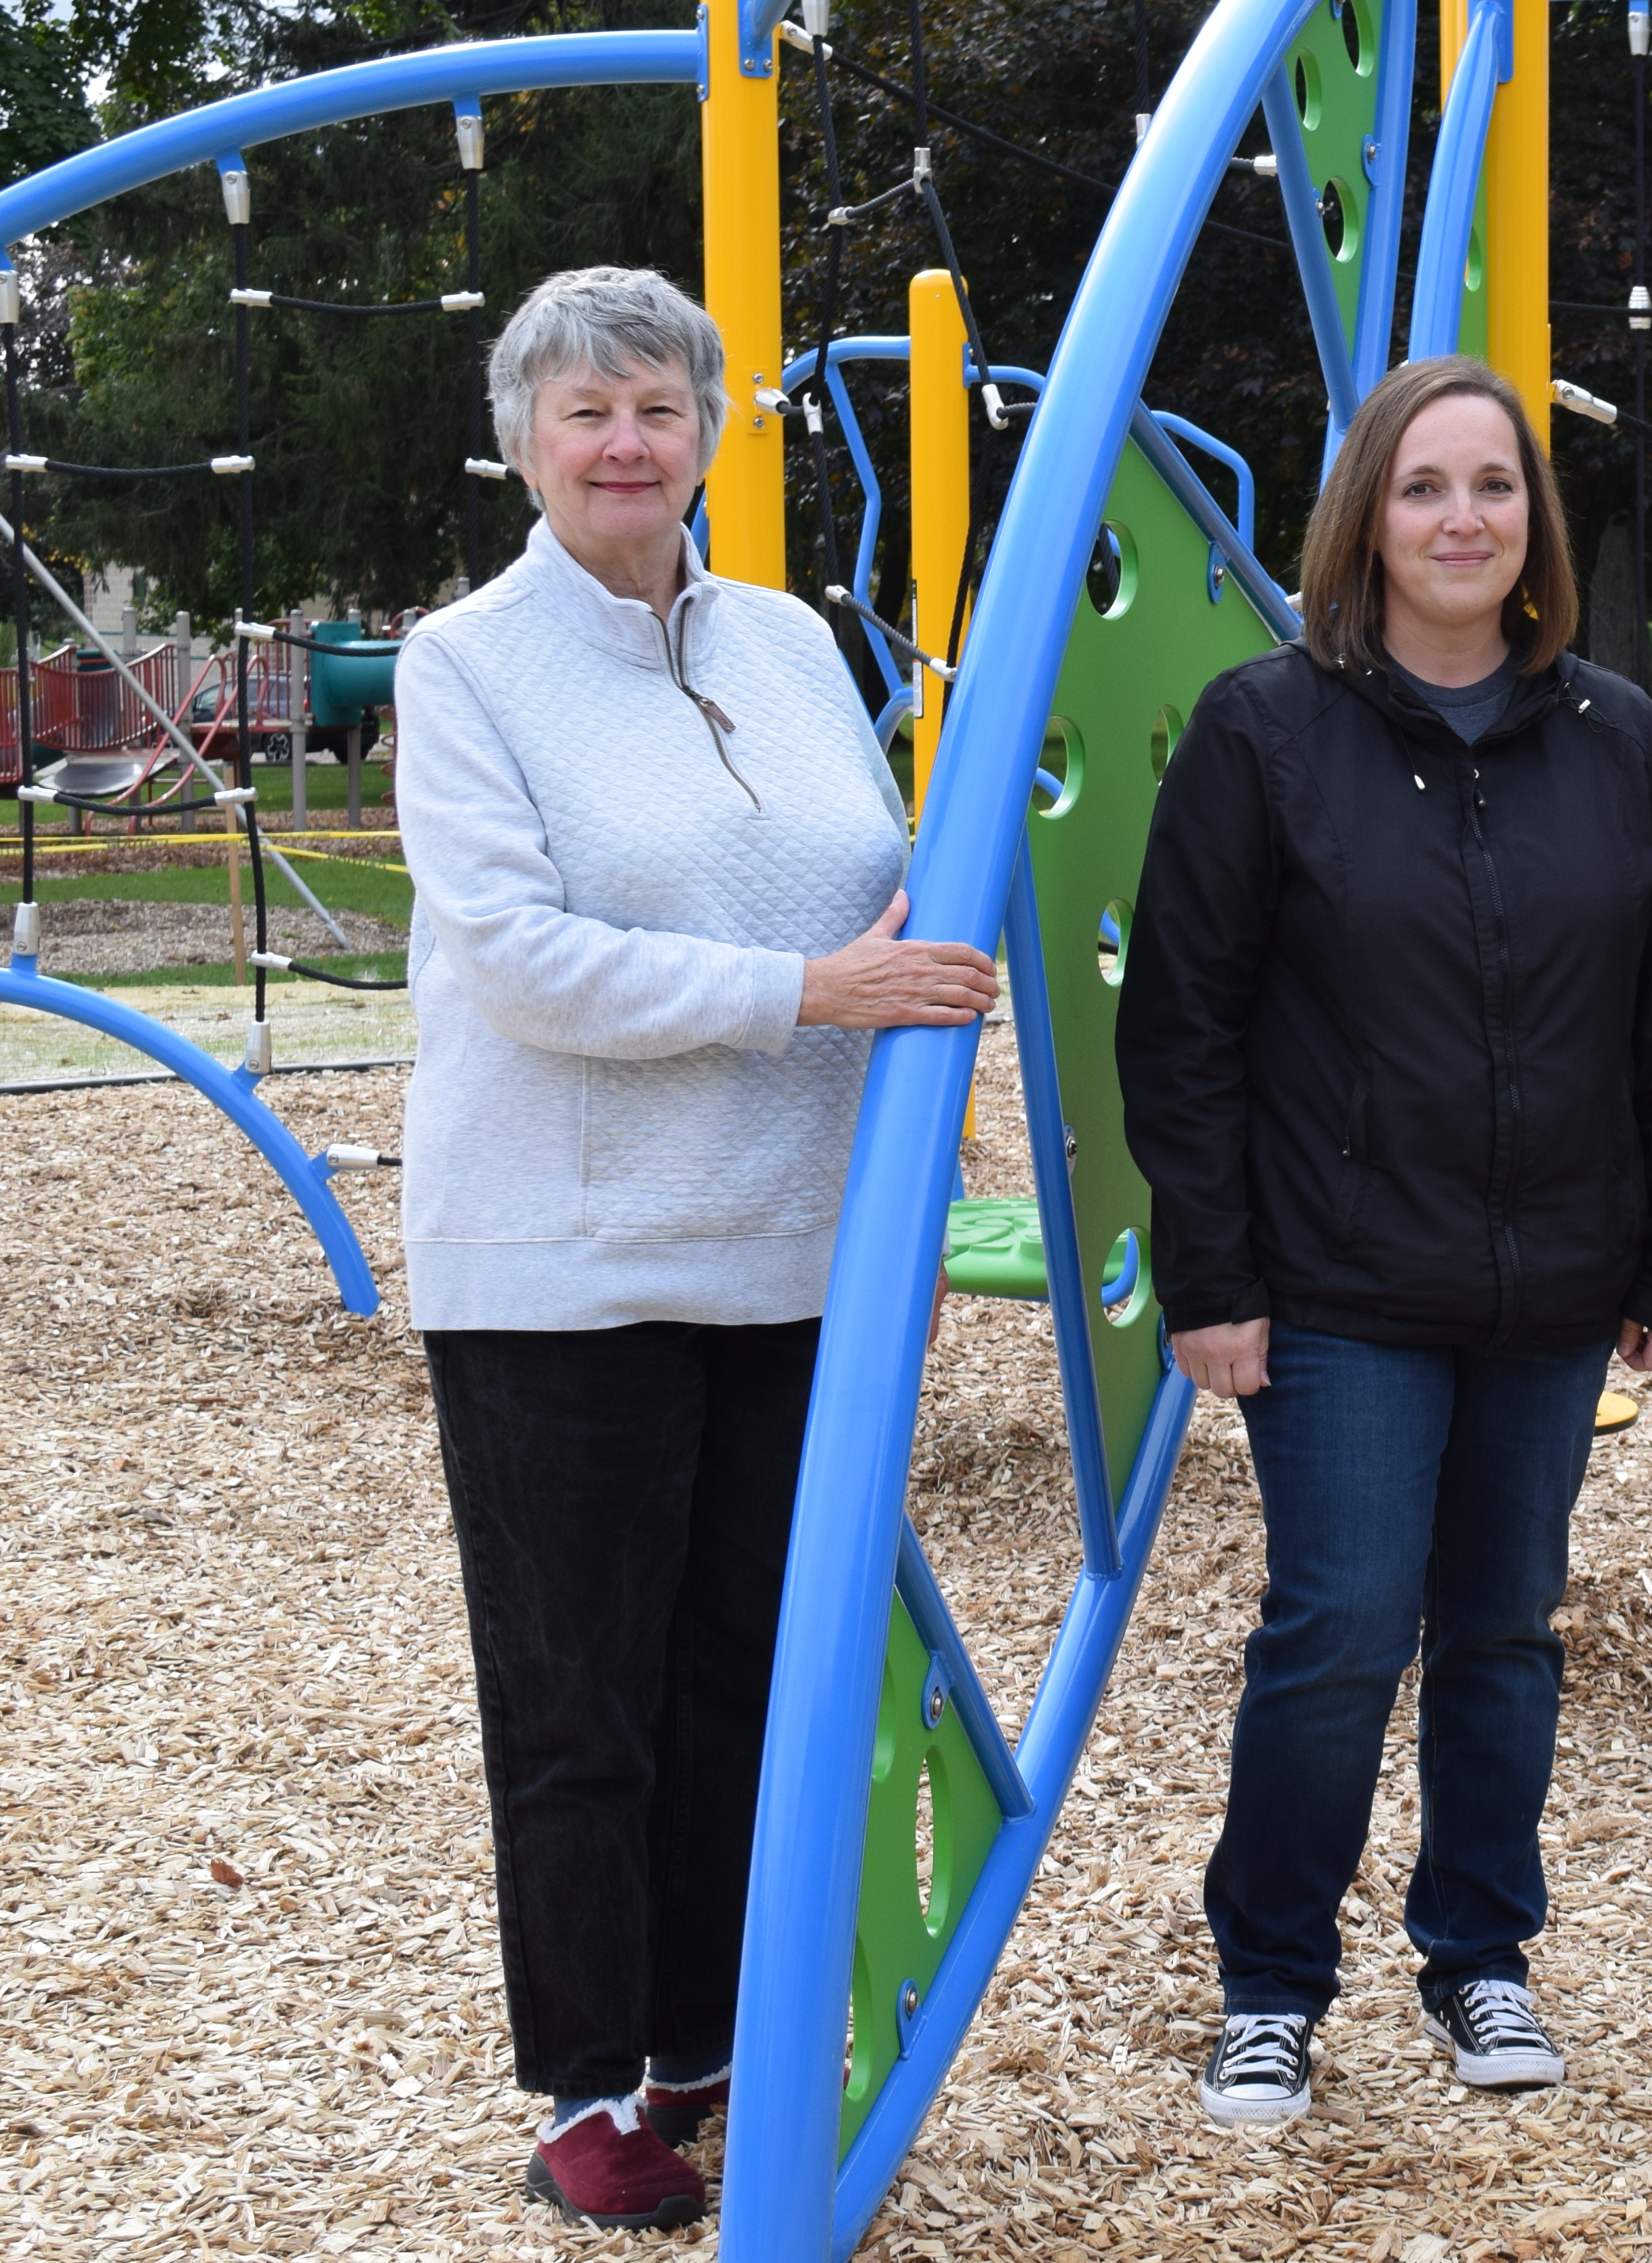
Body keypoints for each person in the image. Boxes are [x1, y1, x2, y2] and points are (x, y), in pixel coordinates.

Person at [398, 267, 998, 2231]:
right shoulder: (465, 664)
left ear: (714, 428)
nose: (625, 443)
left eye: (657, 405)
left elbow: (880, 892)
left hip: (789, 1252)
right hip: (564, 1262)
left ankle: (706, 2034)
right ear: (522, 443)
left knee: (750, 1676)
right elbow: (525, 960)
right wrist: (804, 993)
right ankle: (584, 2085)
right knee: (586, 1703)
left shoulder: (796, 643)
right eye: (584, 415)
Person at [1117, 355, 1652, 2129]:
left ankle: (1480, 1960)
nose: (1464, 518)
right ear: (1365, 521)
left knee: (1504, 1631)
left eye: (1495, 487)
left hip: (1549, 1282)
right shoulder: (1266, 733)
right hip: (1335, 1285)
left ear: (1535, 523)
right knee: (1337, 1625)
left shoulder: (1614, 741)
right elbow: (1185, 1027)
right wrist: (1212, 1280)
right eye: (1425, 488)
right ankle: (1271, 1984)